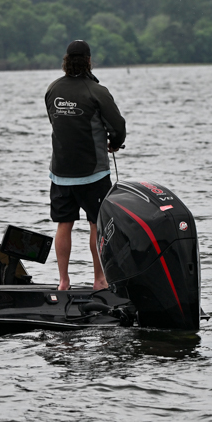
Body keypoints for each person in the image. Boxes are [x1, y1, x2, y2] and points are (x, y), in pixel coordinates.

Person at [45, 40, 126, 291]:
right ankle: (99, 280)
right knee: (96, 224)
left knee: (64, 224)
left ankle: (63, 281)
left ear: (66, 61)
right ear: (89, 61)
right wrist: (114, 143)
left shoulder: (52, 89)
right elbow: (118, 126)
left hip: (60, 173)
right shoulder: (97, 91)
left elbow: (57, 123)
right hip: (94, 174)